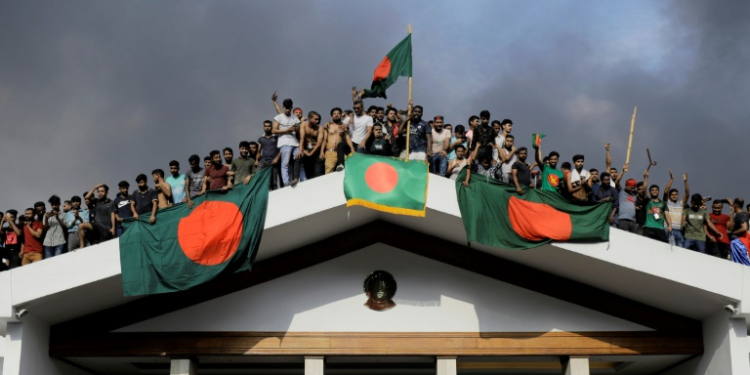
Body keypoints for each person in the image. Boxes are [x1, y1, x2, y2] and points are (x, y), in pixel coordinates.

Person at [273, 98, 304, 186]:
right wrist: (286, 130)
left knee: (299, 160)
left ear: (291, 107)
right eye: (286, 108)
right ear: (283, 107)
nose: (287, 110)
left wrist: (296, 128)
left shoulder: (295, 118)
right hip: (285, 142)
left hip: (295, 142)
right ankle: (286, 182)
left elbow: (299, 131)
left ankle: (302, 179)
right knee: (285, 163)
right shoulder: (279, 117)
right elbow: (274, 130)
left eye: (289, 108)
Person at [641, 171, 671, 243]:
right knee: (645, 245)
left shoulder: (662, 203)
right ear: (650, 192)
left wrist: (670, 225)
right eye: (652, 190)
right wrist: (646, 177)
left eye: (656, 190)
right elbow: (644, 189)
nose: (654, 191)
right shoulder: (648, 201)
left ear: (658, 192)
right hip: (648, 227)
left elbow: (667, 214)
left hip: (660, 228)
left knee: (663, 247)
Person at [322, 107, 354, 173]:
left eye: (338, 113)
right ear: (332, 116)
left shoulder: (344, 126)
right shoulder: (328, 126)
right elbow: (324, 139)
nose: (336, 115)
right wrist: (321, 151)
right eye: (334, 114)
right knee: (328, 172)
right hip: (330, 152)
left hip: (341, 153)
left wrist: (352, 149)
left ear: (341, 116)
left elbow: (348, 138)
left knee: (346, 170)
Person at [663, 171, 690, 248]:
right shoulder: (667, 203)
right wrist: (671, 179)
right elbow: (665, 192)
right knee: (671, 248)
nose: (674, 196)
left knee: (680, 249)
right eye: (672, 195)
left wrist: (685, 182)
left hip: (679, 230)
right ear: (670, 196)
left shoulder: (680, 204)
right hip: (669, 229)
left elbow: (687, 194)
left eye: (676, 194)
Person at [257, 120, 282, 190]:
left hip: (274, 162)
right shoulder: (261, 138)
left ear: (271, 127)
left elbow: (281, 149)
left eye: (269, 126)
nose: (267, 128)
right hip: (264, 161)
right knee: (258, 176)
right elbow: (259, 151)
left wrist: (277, 158)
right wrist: (257, 159)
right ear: (263, 128)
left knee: (274, 182)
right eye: (265, 126)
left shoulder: (276, 137)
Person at [299, 111, 325, 179]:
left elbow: (319, 142)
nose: (317, 121)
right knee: (308, 173)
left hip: (316, 151)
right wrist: (301, 150)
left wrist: (311, 153)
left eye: (318, 119)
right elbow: (301, 138)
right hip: (306, 150)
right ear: (310, 118)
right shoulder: (304, 124)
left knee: (318, 172)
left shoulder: (320, 128)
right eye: (315, 119)